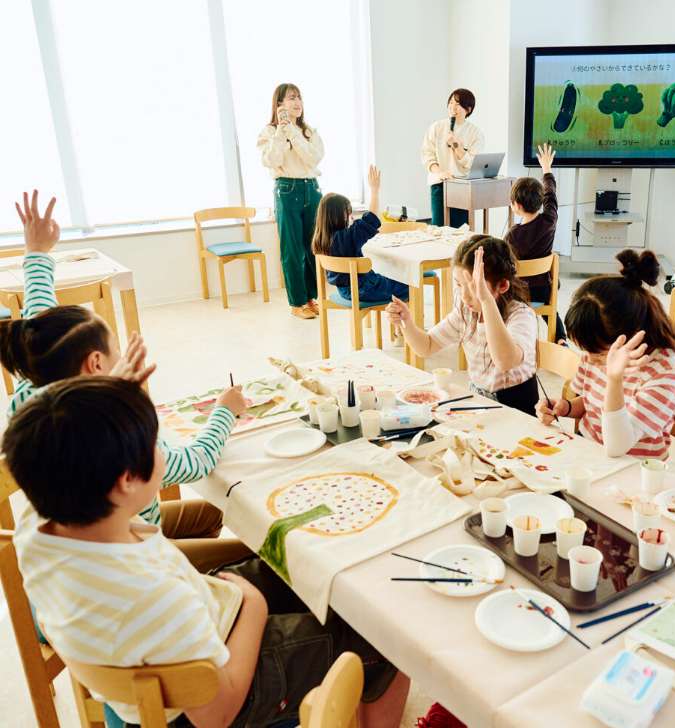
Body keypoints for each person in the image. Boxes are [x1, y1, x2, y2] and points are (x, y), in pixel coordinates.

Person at [6, 377, 410, 727]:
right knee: (387, 634)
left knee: (301, 570)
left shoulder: (38, 530)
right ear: (126, 479)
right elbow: (216, 714)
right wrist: (252, 607)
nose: (163, 451)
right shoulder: (155, 598)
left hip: (200, 617)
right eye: (155, 444)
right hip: (222, 691)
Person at [3, 190, 249, 571]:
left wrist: (36, 252)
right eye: (115, 349)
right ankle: (204, 583)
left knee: (214, 511)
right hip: (132, 553)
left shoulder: (34, 393)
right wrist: (224, 411)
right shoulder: (110, 432)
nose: (121, 356)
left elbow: (40, 315)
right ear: (95, 363)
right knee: (255, 556)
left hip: (88, 542)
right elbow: (193, 462)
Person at [537, 250, 675, 460]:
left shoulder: (667, 371)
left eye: (597, 353)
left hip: (633, 468)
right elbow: (592, 402)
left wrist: (614, 380)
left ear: (630, 337)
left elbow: (617, 446)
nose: (589, 358)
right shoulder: (595, 350)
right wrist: (567, 408)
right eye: (586, 350)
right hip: (589, 454)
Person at [387, 236, 538, 415]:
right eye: (459, 285)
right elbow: (426, 346)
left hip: (517, 410)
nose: (465, 296)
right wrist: (406, 322)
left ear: (503, 285)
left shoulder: (521, 315)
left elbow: (505, 361)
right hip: (480, 403)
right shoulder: (467, 313)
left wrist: (486, 300)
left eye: (474, 287)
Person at [258, 83, 324, 319]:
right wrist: (281, 130)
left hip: (311, 189)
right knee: (292, 250)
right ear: (279, 104)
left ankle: (311, 297)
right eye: (291, 98)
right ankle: (297, 302)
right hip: (286, 190)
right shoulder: (269, 132)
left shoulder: (308, 131)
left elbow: (313, 159)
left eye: (299, 98)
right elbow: (272, 160)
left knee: (313, 247)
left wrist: (293, 133)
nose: (297, 103)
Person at [312, 166, 409, 303]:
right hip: (365, 289)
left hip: (344, 291)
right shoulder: (347, 237)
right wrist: (374, 190)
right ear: (337, 215)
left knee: (389, 278)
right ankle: (410, 315)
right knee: (410, 284)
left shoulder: (321, 239)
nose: (350, 216)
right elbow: (372, 218)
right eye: (347, 213)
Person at [505, 143, 566, 343]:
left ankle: (514, 336)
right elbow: (551, 195)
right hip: (543, 292)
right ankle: (561, 339)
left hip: (519, 296)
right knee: (552, 310)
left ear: (517, 206)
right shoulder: (549, 221)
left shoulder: (512, 235)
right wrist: (547, 169)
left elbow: (505, 265)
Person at [421, 88, 484, 227]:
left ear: (468, 109)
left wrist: (456, 145)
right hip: (439, 184)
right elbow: (427, 155)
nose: (453, 107)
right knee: (439, 227)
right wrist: (440, 172)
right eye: (451, 103)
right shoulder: (436, 127)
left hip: (462, 185)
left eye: (458, 104)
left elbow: (471, 163)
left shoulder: (475, 133)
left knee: (460, 229)